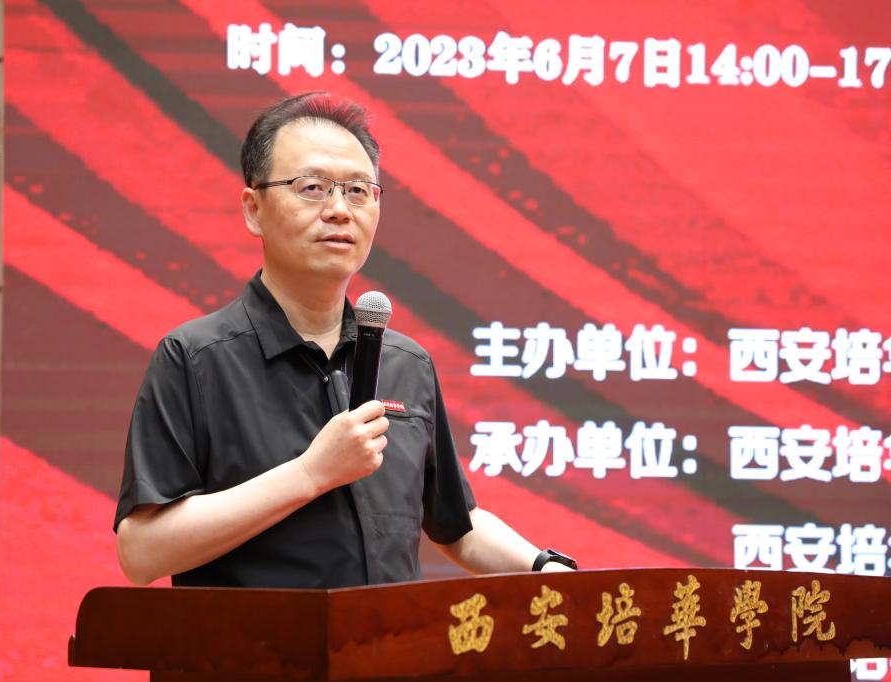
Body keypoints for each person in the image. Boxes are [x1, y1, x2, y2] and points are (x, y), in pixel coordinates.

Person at [114, 92, 575, 588]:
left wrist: (544, 567)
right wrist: (311, 473)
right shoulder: (196, 358)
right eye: (312, 187)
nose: (339, 210)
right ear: (253, 209)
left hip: (390, 639)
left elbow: (457, 528)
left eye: (358, 191)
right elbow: (142, 551)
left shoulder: (406, 364)